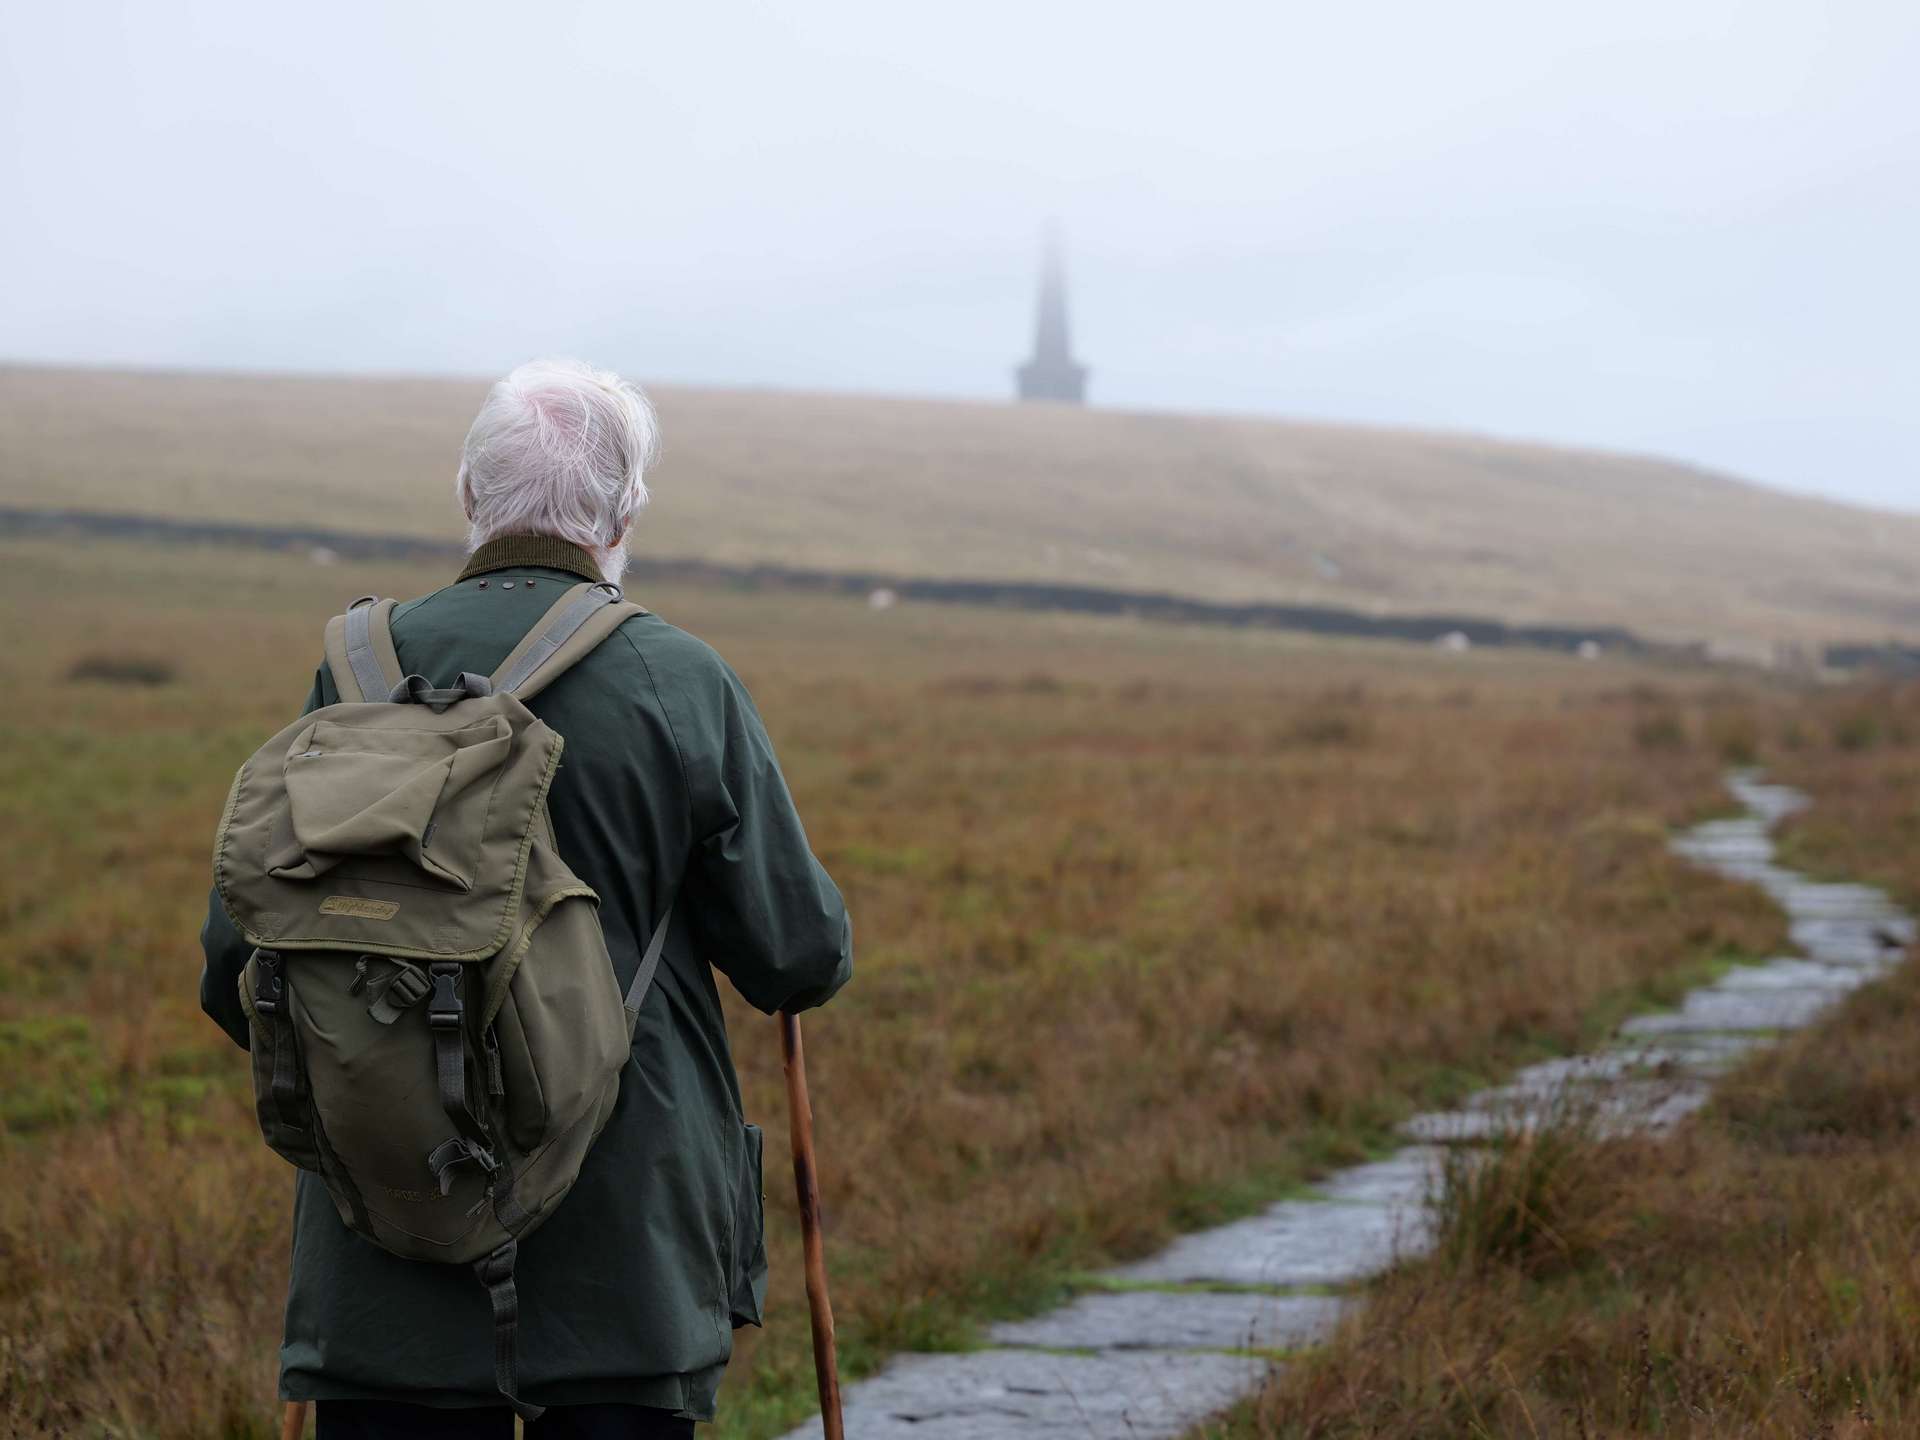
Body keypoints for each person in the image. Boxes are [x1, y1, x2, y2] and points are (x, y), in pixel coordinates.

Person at [199, 357, 853, 1439]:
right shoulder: (678, 678)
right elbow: (799, 956)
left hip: (383, 1249)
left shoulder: (355, 671)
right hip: (622, 1269)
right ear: (626, 510)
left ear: (468, 495)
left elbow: (237, 967)